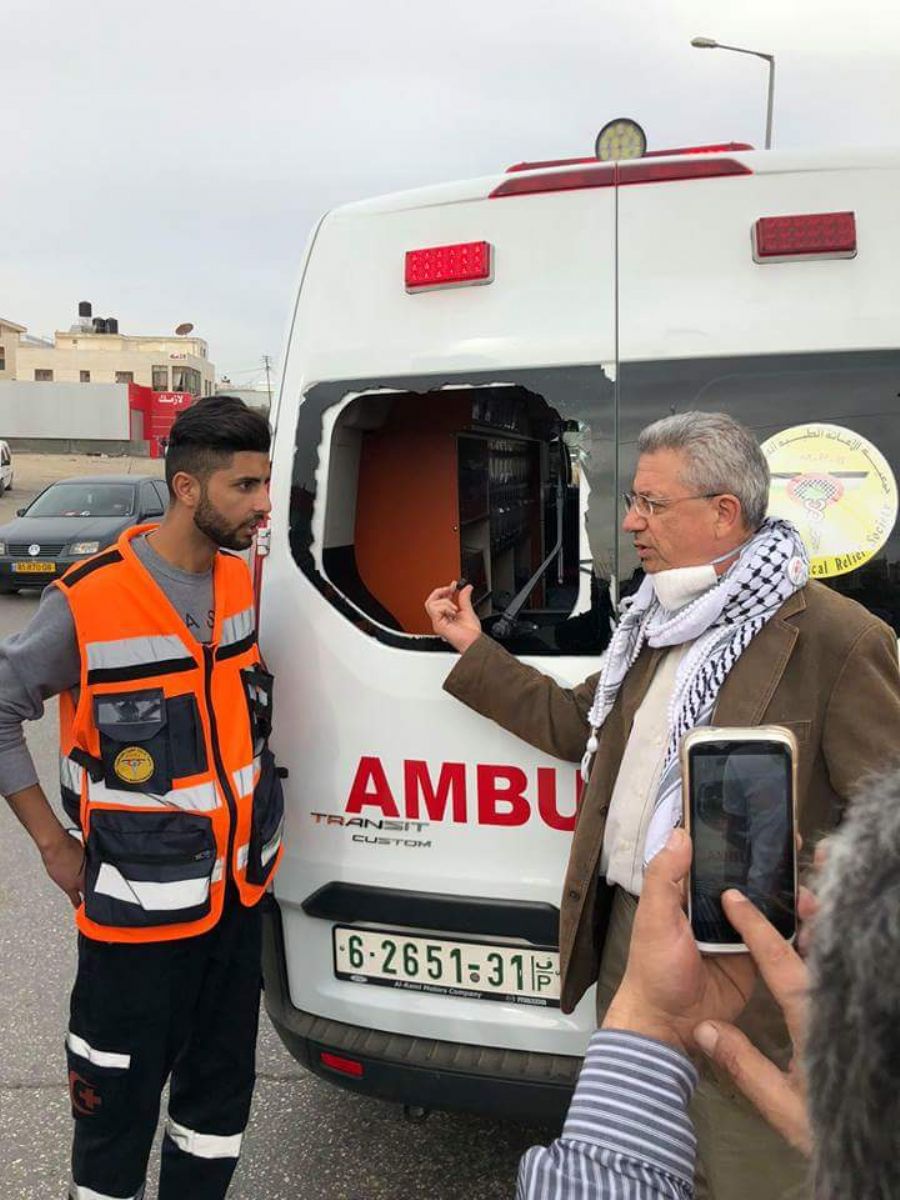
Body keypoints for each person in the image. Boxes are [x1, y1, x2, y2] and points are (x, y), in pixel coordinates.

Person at [426, 411, 900, 1200]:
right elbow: (577, 723)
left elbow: (884, 831)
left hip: (751, 973)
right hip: (635, 936)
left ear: (724, 512)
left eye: (651, 503)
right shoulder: (654, 618)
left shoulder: (837, 638)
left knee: (749, 1167)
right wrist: (473, 647)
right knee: (638, 1142)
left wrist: (806, 931)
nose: (631, 523)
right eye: (632, 502)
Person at [1, 395, 280, 1200]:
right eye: (245, 486)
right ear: (187, 489)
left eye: (265, 483)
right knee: (115, 1108)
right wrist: (52, 844)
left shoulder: (240, 581)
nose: (263, 504)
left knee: (217, 1103)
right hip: (134, 918)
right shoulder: (87, 600)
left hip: (236, 906)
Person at [519, 770, 900, 1200]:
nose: (830, 855)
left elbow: (876, 762)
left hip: (770, 983)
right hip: (649, 926)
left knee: (748, 1164)